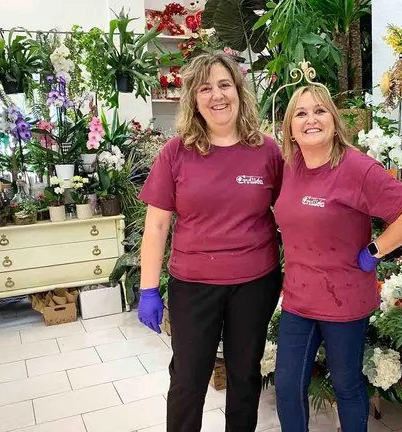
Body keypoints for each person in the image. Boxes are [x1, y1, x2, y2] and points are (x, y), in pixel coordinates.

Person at [137, 51, 283, 432]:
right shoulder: (176, 153)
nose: (217, 96)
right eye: (205, 88)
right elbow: (155, 227)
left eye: (224, 85)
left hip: (254, 283)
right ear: (193, 99)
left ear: (239, 91)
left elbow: (292, 213)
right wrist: (148, 289)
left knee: (245, 376)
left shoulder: (267, 150)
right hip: (193, 284)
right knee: (187, 379)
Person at [273, 85, 402, 432]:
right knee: (286, 386)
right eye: (300, 113)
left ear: (333, 119)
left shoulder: (356, 167)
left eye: (320, 111)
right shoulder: (288, 165)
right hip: (298, 299)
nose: (310, 119)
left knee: (346, 386)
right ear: (289, 127)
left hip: (343, 300)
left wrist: (375, 250)